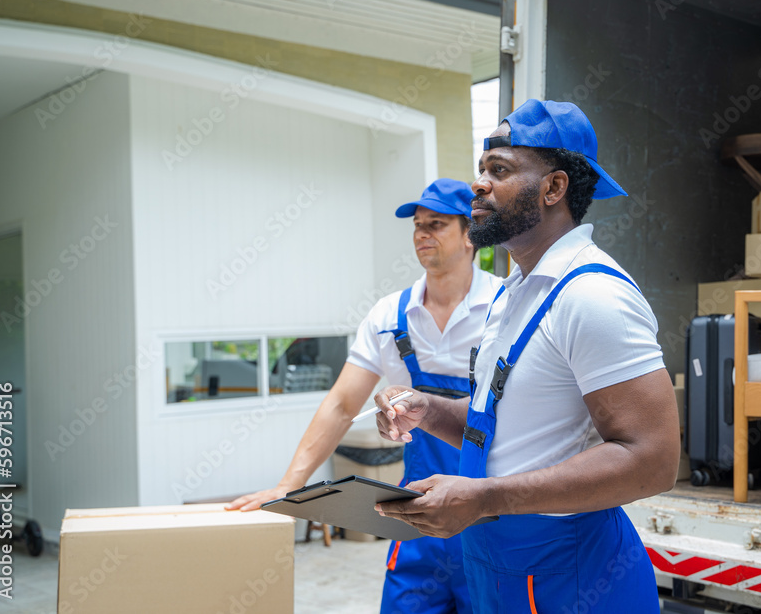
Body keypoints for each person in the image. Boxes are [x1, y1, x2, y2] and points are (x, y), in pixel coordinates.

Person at [373, 100, 680, 613]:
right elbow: (509, 431)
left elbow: (652, 462)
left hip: (572, 575)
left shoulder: (593, 297)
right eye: (481, 171)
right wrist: (428, 410)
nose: (479, 185)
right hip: (497, 563)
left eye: (500, 170)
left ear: (554, 188)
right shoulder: (513, 294)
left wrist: (487, 497)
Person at [227, 178, 500, 614]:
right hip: (417, 524)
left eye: (437, 224)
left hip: (489, 522)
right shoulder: (390, 317)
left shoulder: (504, 308)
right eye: (417, 225)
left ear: (470, 235)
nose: (421, 234)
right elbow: (340, 405)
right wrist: (288, 486)